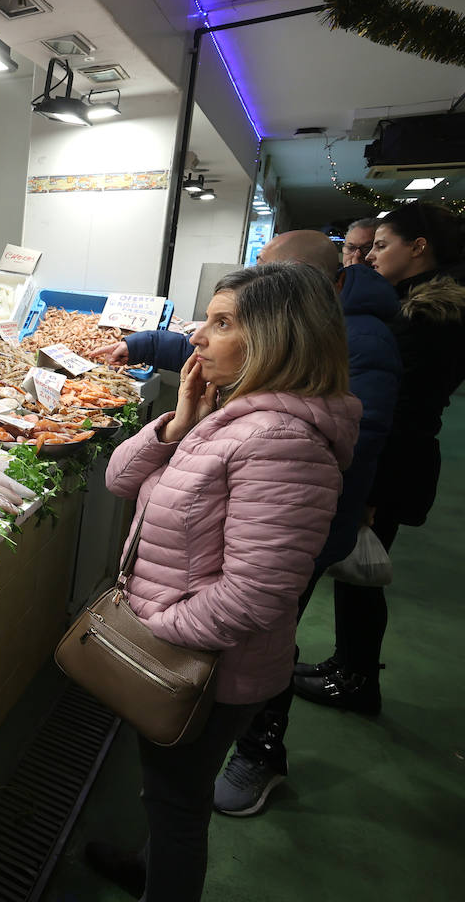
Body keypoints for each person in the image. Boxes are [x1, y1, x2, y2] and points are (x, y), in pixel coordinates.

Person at [92, 232, 401, 816]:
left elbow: (255, 593)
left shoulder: (284, 442)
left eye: (222, 324)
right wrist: (179, 423)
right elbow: (119, 480)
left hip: (208, 666)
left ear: (274, 338)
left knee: (177, 805)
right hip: (178, 643)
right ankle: (150, 860)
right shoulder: (226, 414)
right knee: (163, 788)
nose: (197, 337)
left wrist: (158, 629)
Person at [295, 203, 465, 713]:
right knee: (352, 571)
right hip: (392, 458)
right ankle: (347, 664)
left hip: (393, 461)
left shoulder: (428, 317)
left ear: (418, 247)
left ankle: (357, 679)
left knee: (360, 571)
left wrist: (369, 489)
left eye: (380, 245)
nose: (369, 257)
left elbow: (400, 411)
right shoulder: (409, 306)